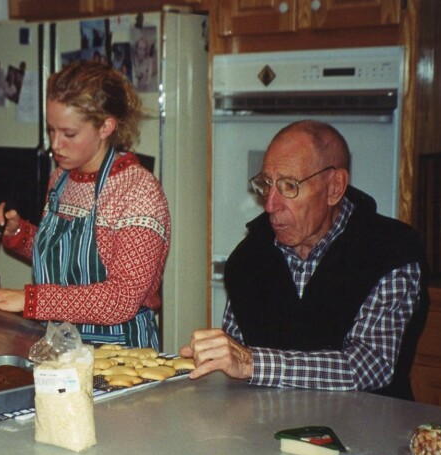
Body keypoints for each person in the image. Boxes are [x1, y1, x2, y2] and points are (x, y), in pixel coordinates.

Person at [180, 120, 427, 400]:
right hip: (266, 429)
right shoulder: (249, 257)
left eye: (289, 186)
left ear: (334, 188)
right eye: (266, 184)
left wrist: (252, 363)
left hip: (366, 431)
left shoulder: (391, 250)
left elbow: (369, 366)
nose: (270, 205)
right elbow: (237, 355)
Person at [0, 60, 171, 350]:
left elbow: (121, 300)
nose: (55, 145)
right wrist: (18, 234)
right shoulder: (61, 178)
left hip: (120, 351)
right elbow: (64, 264)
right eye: (51, 131)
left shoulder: (137, 192)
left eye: (69, 134)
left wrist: (29, 300)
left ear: (105, 127)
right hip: (61, 344)